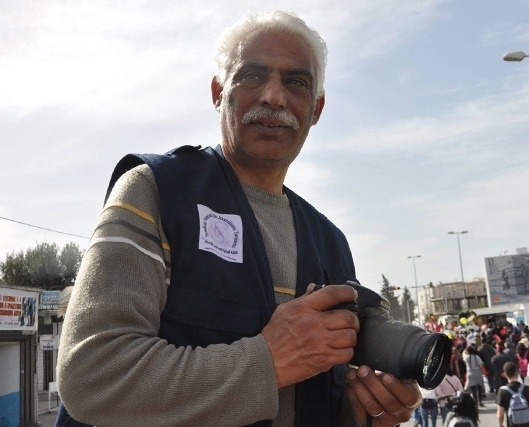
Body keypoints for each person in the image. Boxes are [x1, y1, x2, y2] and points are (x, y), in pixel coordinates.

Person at [55, 10, 420, 427]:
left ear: (316, 109)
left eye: (296, 82)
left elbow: (307, 403)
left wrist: (365, 412)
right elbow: (93, 376)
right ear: (217, 92)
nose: (273, 97)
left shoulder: (330, 243)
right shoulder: (154, 191)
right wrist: (268, 362)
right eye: (251, 76)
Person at [496, 362, 529, 427]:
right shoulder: (528, 389)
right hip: (528, 423)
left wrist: (500, 424)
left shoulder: (502, 391)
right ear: (517, 372)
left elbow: (500, 414)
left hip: (513, 424)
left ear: (505, 374)